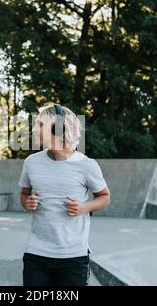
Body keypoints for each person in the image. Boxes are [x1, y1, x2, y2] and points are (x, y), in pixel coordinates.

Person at [19, 104, 111, 286]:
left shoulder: (87, 165)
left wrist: (84, 207)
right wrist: (27, 202)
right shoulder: (31, 162)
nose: (34, 129)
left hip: (73, 257)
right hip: (36, 253)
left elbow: (104, 197)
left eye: (40, 124)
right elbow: (23, 194)